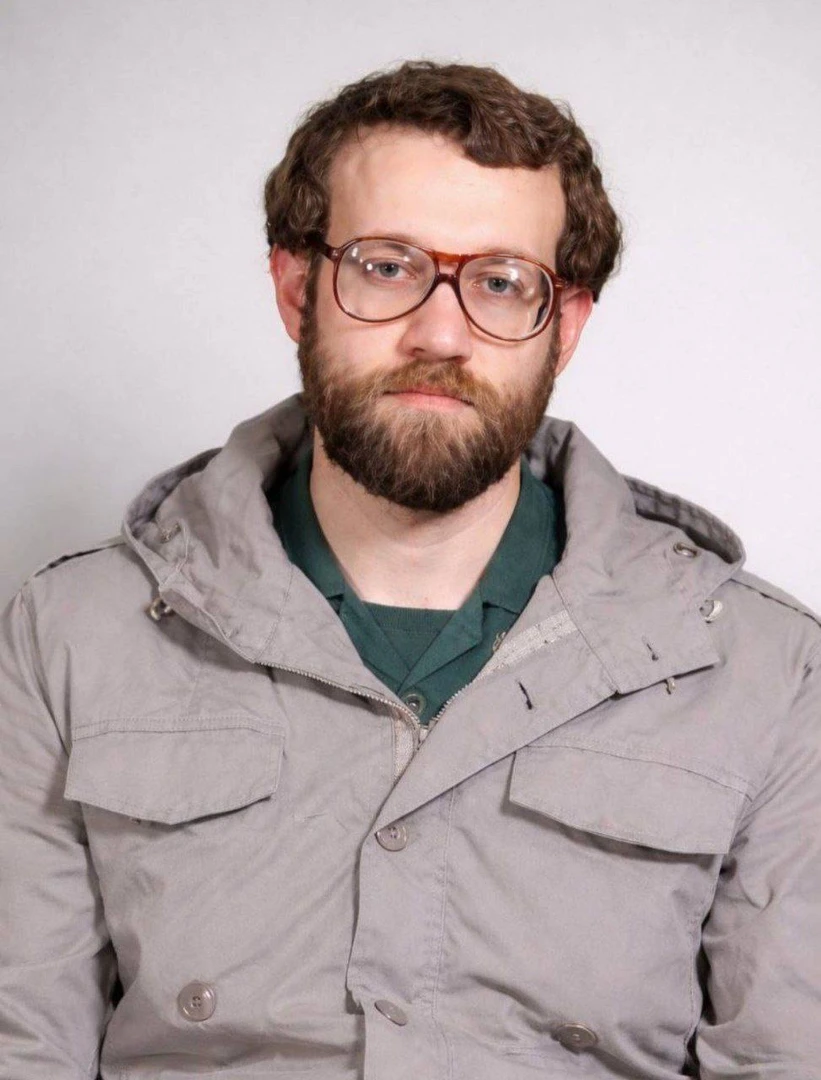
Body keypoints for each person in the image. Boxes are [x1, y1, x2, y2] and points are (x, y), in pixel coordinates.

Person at [1, 60, 819, 1080]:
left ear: (564, 326)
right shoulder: (68, 635)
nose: (439, 334)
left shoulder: (764, 671)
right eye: (386, 267)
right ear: (296, 288)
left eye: (500, 282)